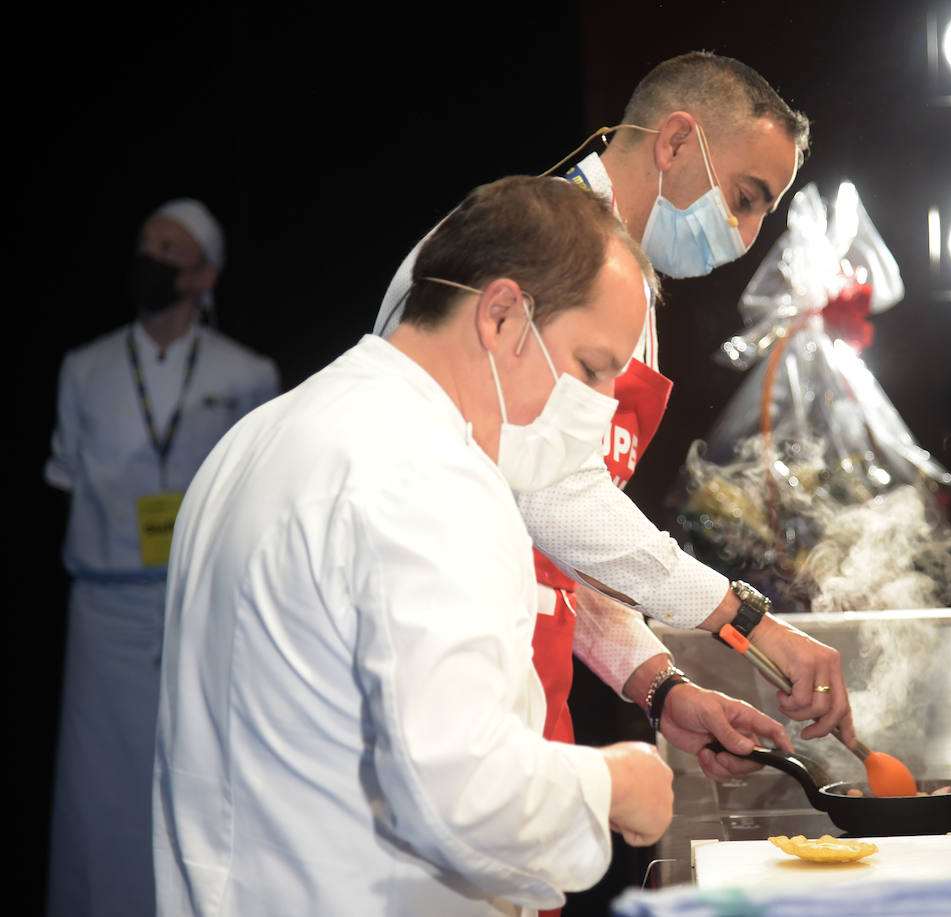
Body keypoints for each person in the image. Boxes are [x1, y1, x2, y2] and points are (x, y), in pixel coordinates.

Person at [154, 176, 788, 916]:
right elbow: (459, 793)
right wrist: (616, 784)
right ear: (502, 315)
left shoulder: (266, 433)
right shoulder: (431, 475)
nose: (597, 409)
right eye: (591, 368)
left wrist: (658, 687)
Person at [375, 53, 854, 785]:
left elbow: (563, 542)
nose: (749, 234)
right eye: (745, 197)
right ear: (675, 142)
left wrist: (659, 684)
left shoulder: (623, 278)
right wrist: (745, 620)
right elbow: (549, 495)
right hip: (436, 667)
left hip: (523, 670)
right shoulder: (533, 247)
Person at [44, 198, 279, 917]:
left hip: (198, 609)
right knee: (97, 785)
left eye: (169, 250)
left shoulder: (247, 374)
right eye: (144, 243)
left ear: (204, 274)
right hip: (104, 614)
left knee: (194, 773)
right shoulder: (84, 369)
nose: (150, 259)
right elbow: (65, 476)